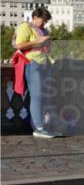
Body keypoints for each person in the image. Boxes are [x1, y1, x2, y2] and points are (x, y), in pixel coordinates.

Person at [11, 8, 58, 138]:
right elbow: (19, 45)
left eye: (46, 22)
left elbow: (45, 48)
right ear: (35, 17)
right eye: (43, 21)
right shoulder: (25, 27)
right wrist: (37, 41)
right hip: (32, 63)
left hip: (44, 63)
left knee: (43, 95)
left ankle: (37, 124)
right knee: (36, 95)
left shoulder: (43, 30)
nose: (45, 24)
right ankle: (39, 128)